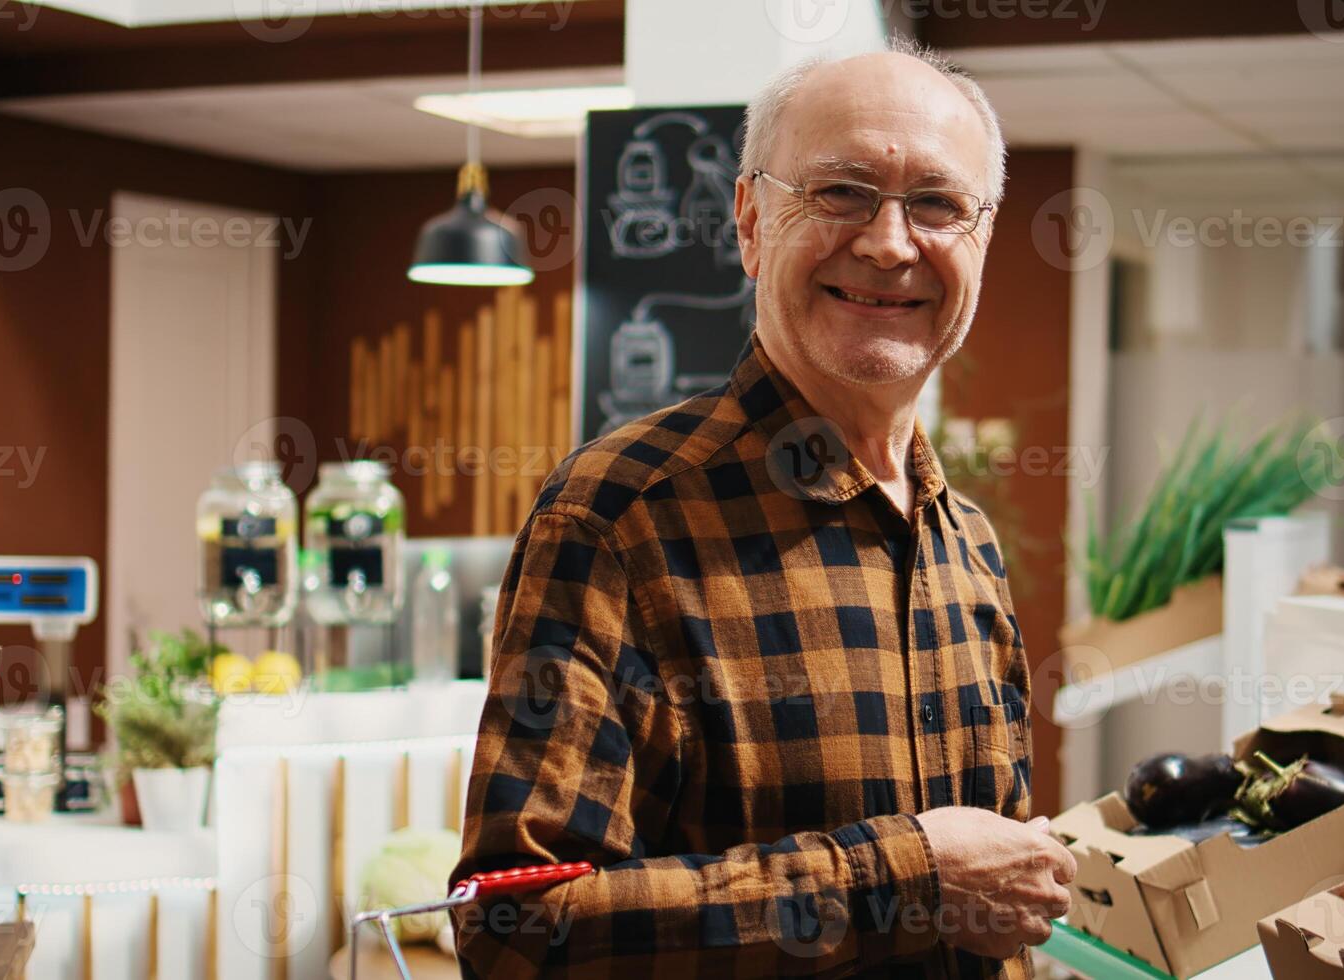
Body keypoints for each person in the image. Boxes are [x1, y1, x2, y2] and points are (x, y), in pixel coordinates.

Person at [453, 39, 1074, 978]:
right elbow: (515, 931)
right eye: (840, 192)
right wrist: (905, 880)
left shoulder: (965, 542)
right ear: (749, 221)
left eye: (938, 205)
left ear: (980, 243)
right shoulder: (619, 518)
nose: (889, 243)